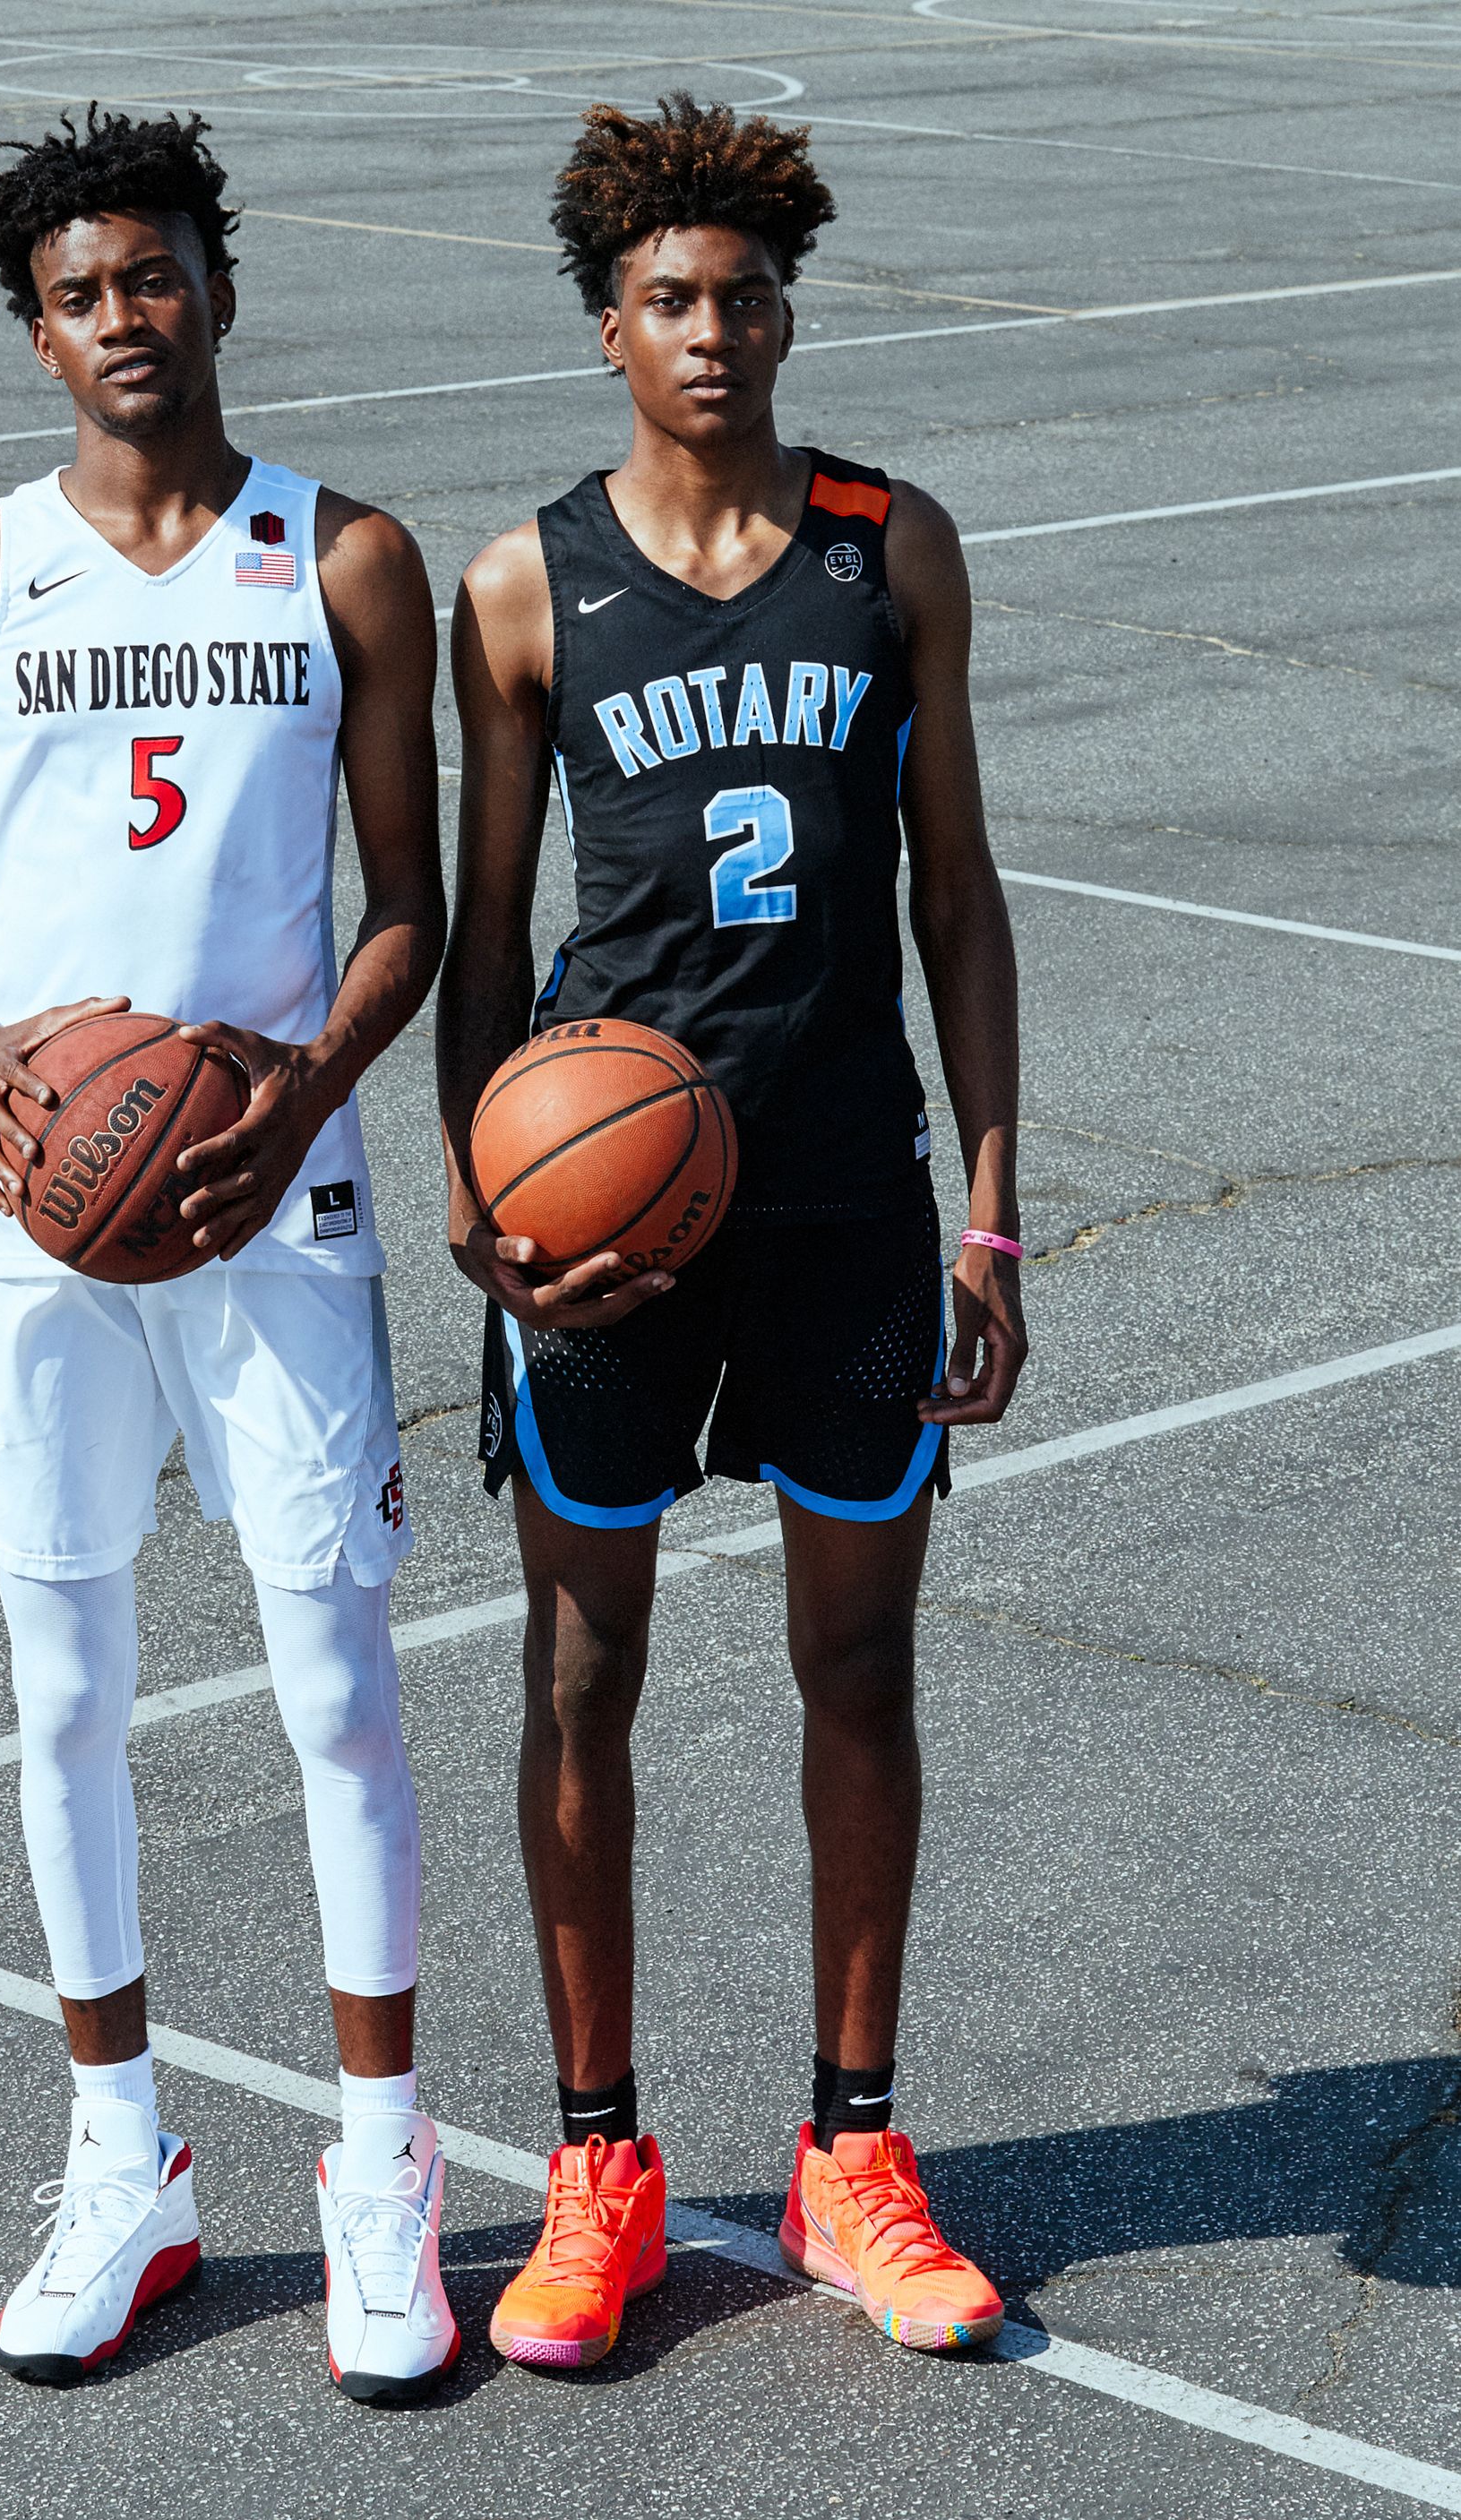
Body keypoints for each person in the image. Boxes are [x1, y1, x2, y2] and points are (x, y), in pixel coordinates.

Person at [0, 107, 457, 2404]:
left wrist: (292, 1094)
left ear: (220, 282)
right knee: (66, 1696)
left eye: (156, 276)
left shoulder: (348, 558)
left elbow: (415, 907)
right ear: (38, 329)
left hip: (270, 1198)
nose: (125, 319)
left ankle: (375, 2166)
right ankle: (127, 2163)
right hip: (30, 1217)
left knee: (339, 1695)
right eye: (82, 294)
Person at [437, 93, 1028, 2368]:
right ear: (612, 328)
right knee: (586, 1675)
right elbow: (488, 957)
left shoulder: (894, 543)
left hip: (846, 1202)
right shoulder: (526, 581)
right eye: (673, 299)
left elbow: (957, 898)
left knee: (857, 1670)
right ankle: (600, 2160)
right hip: (604, 1222)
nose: (715, 329)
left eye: (747, 295)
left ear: (789, 311)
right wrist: (484, 1214)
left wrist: (988, 1207)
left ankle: (850, 2151)